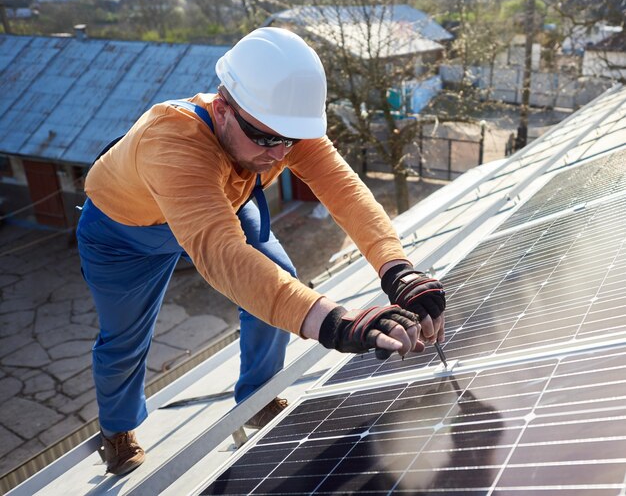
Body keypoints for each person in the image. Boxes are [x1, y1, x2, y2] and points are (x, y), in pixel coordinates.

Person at [76, 27, 446, 476]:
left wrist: (397, 269)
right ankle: (117, 429)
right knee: (124, 339)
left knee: (279, 274)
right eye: (268, 140)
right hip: (123, 234)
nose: (280, 154)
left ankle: (257, 396)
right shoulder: (172, 141)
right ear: (223, 107)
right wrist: (335, 323)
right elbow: (220, 252)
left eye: (290, 141)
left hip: (222, 204)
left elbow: (344, 189)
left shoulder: (277, 126)